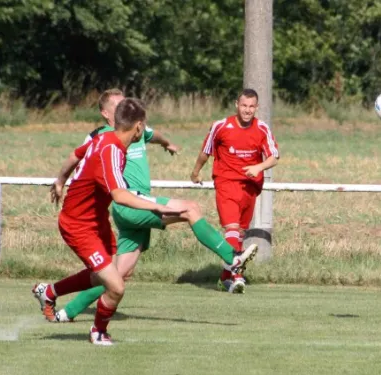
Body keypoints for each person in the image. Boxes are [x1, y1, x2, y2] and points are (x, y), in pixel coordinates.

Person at [32, 92, 258, 333]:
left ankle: (62, 305)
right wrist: (60, 180)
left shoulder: (136, 134)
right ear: (107, 114)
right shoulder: (104, 139)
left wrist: (167, 143)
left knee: (115, 276)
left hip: (129, 208)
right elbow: (84, 163)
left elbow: (153, 135)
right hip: (130, 205)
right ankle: (231, 257)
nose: (124, 110)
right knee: (190, 209)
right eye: (118, 106)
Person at [32, 98, 183, 345]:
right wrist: (156, 205)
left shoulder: (103, 138)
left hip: (96, 220)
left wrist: (60, 181)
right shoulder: (111, 148)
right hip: (78, 225)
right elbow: (120, 195)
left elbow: (74, 155)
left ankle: (48, 292)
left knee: (111, 274)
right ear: (138, 126)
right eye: (143, 127)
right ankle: (98, 332)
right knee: (116, 286)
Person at [190, 88, 279, 293]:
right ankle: (238, 275)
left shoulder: (262, 129)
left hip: (250, 187)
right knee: (231, 228)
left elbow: (274, 156)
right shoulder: (221, 126)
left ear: (256, 108)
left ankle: (224, 277)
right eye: (243, 105)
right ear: (236, 105)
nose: (247, 110)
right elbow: (206, 152)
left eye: (251, 106)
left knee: (239, 233)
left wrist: (258, 167)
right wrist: (195, 172)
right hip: (226, 182)